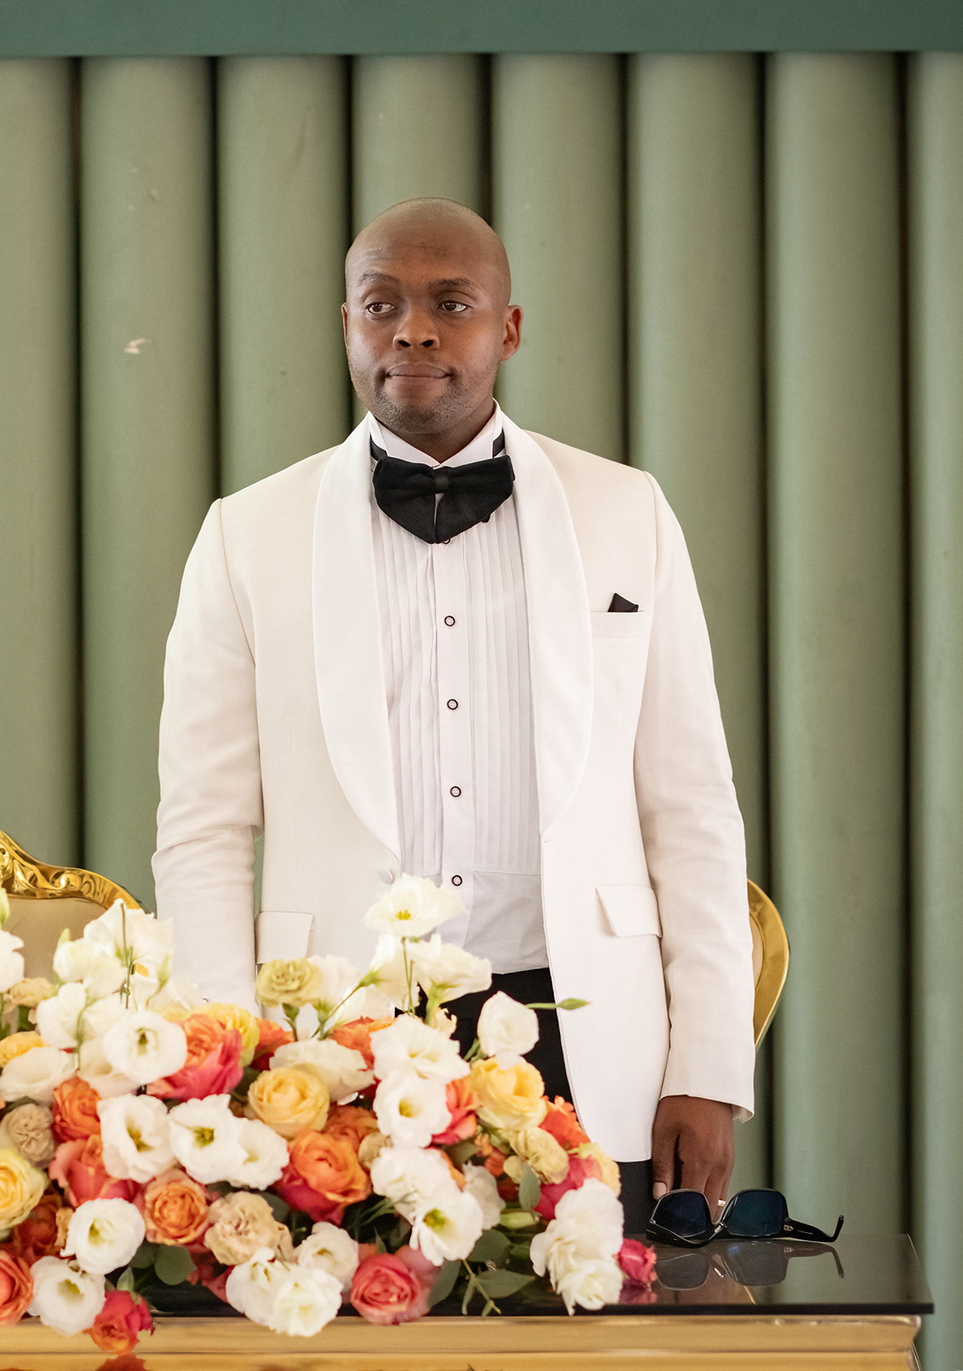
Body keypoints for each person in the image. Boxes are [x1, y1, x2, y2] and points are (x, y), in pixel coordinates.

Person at [153, 198, 753, 1231]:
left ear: (507, 328)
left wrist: (706, 1064)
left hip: (588, 1035)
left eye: (451, 304)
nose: (414, 331)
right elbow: (202, 827)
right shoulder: (244, 535)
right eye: (381, 305)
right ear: (347, 325)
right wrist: (230, 1057)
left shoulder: (629, 511)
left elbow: (692, 805)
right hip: (331, 1044)